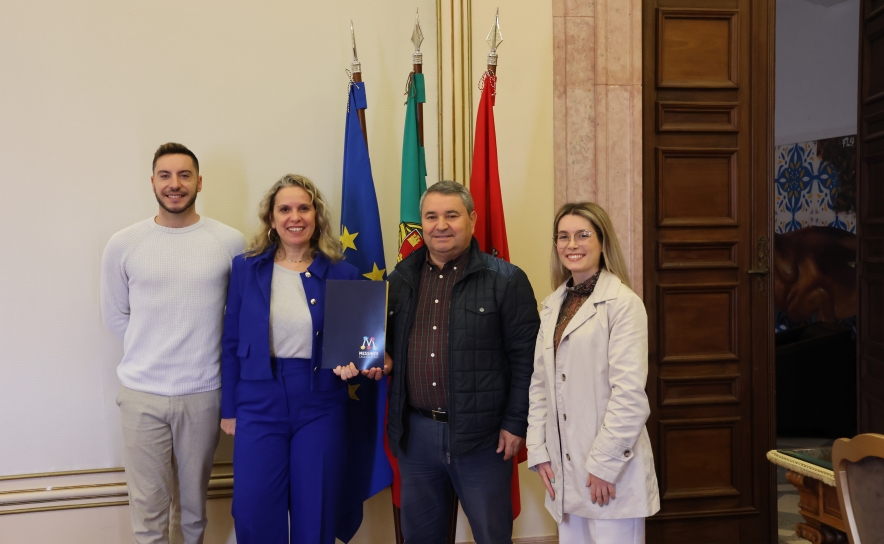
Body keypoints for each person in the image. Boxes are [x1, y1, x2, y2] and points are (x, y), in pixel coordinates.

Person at [220, 174, 388, 544]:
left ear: (316, 216)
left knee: (318, 505)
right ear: (271, 218)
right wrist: (229, 408)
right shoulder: (246, 268)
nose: (294, 216)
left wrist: (360, 365)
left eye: (303, 207)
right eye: (285, 209)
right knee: (253, 507)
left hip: (320, 402)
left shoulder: (343, 274)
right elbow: (231, 340)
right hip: (257, 399)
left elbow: (359, 348)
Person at [100, 143, 245, 544]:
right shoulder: (124, 243)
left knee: (195, 512)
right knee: (148, 515)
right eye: (165, 175)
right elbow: (116, 314)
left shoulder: (229, 242)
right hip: (142, 396)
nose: (174, 184)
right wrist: (154, 352)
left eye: (184, 175)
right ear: (152, 183)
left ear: (199, 182)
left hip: (203, 395)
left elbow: (238, 319)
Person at [384, 180, 540, 544]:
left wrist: (517, 422)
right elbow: (385, 350)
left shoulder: (506, 280)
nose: (441, 225)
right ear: (421, 223)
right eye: (432, 216)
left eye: (451, 215)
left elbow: (526, 360)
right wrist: (375, 360)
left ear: (471, 219)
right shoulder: (400, 280)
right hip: (416, 436)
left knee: (491, 535)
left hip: (484, 438)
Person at [526, 202, 660, 543]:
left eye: (583, 235)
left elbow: (629, 396)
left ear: (602, 242)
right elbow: (540, 384)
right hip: (563, 472)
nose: (572, 245)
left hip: (610, 473)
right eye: (564, 237)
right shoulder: (553, 304)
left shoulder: (623, 303)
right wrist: (540, 452)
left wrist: (604, 465)